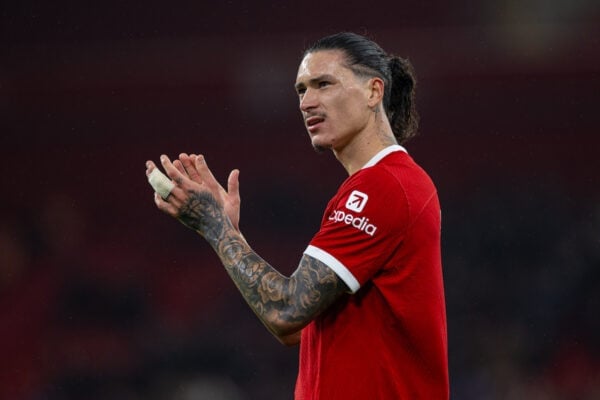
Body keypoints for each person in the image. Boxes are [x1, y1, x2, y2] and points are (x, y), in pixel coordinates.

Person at [145, 32, 449, 399]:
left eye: (323, 84)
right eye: (301, 90)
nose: (307, 102)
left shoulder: (384, 185)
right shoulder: (376, 187)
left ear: (373, 92)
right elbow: (294, 327)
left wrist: (213, 225)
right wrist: (228, 231)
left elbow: (286, 310)